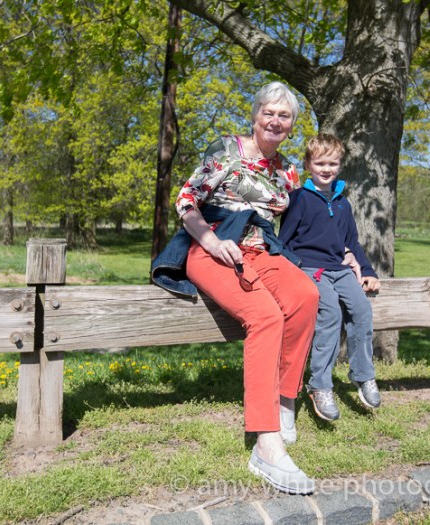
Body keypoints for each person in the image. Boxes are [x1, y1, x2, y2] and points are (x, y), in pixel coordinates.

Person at [150, 82, 319, 494]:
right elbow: (186, 200)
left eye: (284, 116)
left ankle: (284, 401)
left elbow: (294, 223)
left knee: (306, 297)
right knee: (265, 316)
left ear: (292, 124)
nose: (275, 121)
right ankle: (266, 446)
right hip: (214, 248)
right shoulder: (227, 150)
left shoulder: (288, 171)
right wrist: (210, 241)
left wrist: (343, 255)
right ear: (255, 115)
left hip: (261, 251)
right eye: (269, 113)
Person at [278, 133, 381, 422]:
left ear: (340, 165)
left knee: (362, 309)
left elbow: (352, 242)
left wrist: (367, 271)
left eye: (332, 164)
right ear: (308, 165)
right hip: (310, 269)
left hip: (340, 268)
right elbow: (283, 241)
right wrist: (289, 271)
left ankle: (363, 374)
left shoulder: (343, 203)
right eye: (320, 163)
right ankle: (320, 384)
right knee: (331, 313)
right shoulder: (299, 199)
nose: (326, 169)